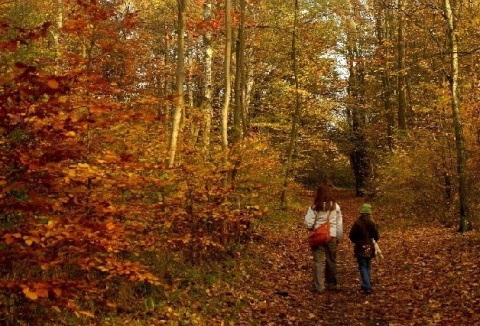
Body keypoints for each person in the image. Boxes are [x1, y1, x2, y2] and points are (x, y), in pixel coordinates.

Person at [304, 184, 343, 293]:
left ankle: (320, 287)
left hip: (318, 237)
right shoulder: (336, 207)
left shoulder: (315, 207)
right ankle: (332, 284)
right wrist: (338, 236)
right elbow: (339, 223)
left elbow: (308, 223)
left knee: (318, 262)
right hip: (332, 236)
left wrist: (313, 227)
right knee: (331, 261)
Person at [349, 203, 380, 294]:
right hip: (370, 246)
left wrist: (356, 241)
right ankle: (367, 283)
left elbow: (352, 235)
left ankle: (366, 286)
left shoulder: (357, 223)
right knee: (368, 265)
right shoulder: (372, 223)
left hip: (360, 247)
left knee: (362, 266)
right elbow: (376, 236)